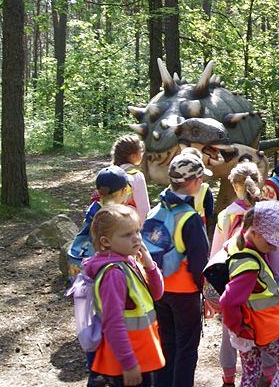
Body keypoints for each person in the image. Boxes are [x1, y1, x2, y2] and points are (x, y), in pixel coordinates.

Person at [206, 160, 273, 387]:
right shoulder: (266, 213)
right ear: (258, 184)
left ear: (235, 186)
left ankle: (228, 377)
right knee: (264, 331)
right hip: (261, 285)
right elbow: (274, 253)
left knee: (230, 331)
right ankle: (271, 373)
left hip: (232, 283)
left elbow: (216, 252)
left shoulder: (226, 215)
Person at [219, 202, 279, 387]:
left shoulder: (236, 243)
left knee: (251, 373)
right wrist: (238, 329)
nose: (274, 248)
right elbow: (227, 301)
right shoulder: (249, 266)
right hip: (264, 330)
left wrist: (240, 331)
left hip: (249, 330)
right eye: (271, 241)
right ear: (254, 232)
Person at [146, 152, 211, 387]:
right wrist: (204, 293)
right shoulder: (190, 218)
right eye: (201, 178)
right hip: (184, 293)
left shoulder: (156, 210)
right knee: (186, 348)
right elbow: (199, 264)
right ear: (193, 181)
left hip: (159, 290)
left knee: (166, 343)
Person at [85, 205, 164, 387]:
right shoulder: (114, 274)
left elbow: (157, 293)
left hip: (141, 356)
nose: (137, 238)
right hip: (127, 363)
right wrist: (129, 364)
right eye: (127, 235)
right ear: (105, 242)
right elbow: (113, 323)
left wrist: (149, 264)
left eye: (137, 231)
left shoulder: (129, 261)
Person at [68, 166, 132, 279]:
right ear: (123, 191)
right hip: (106, 272)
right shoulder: (117, 216)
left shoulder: (94, 209)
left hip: (86, 265)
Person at [110, 134, 151, 223]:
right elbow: (143, 208)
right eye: (141, 151)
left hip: (110, 225)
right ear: (132, 156)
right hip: (129, 225)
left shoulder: (109, 174)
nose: (143, 154)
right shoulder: (136, 176)